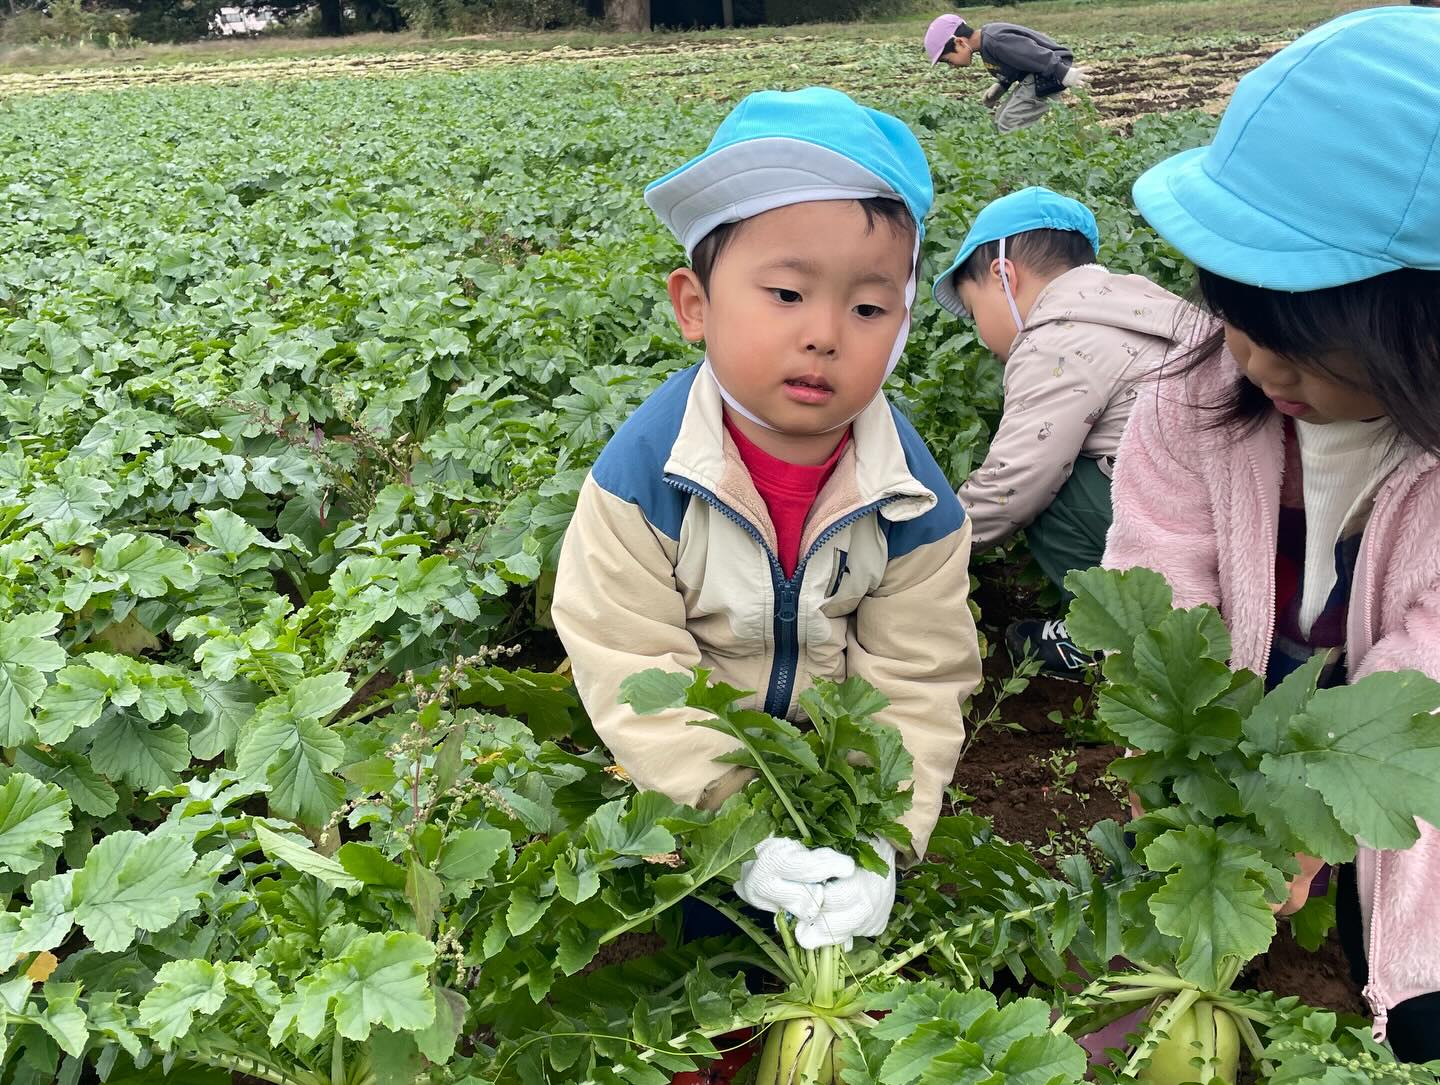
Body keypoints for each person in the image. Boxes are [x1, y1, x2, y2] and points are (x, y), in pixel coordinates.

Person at [552, 87, 983, 952]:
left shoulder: (913, 496)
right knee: (701, 937)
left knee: (839, 933)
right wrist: (732, 822)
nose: (825, 333)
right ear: (695, 305)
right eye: (786, 293)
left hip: (837, 781)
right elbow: (629, 656)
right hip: (691, 781)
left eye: (868, 309)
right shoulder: (644, 476)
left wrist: (882, 839)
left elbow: (918, 673)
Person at [1105, 7, 1440, 1060]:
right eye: (1237, 308)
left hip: (1402, 742)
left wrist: (1301, 811)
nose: (1257, 359)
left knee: (1413, 956)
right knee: (1167, 941)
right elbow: (1156, 591)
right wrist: (1192, 772)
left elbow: (1422, 681)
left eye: (1302, 340)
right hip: (1254, 684)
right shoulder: (1190, 394)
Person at [932, 187, 1190, 677]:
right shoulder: (1140, 304)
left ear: (1003, 276)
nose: (979, 332)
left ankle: (1114, 637)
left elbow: (1015, 485)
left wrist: (925, 551)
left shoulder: (1058, 337)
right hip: (1235, 516)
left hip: (1179, 521)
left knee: (1051, 488)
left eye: (972, 310)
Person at [923, 12, 1089, 133]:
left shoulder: (995, 40)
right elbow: (1015, 64)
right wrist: (1001, 86)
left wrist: (1063, 73)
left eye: (948, 60)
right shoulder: (987, 44)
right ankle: (1030, 150)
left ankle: (1023, 169)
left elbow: (1031, 53)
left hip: (1047, 73)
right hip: (1036, 74)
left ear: (959, 42)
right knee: (1001, 118)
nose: (952, 66)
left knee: (1010, 122)